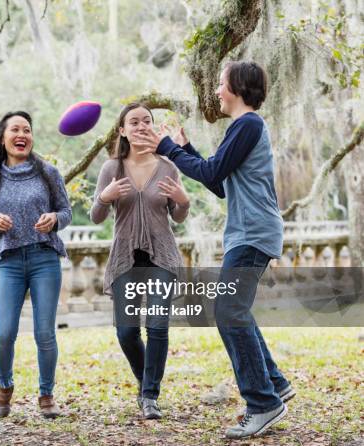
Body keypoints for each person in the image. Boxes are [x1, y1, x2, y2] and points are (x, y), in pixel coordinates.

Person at [138, 61, 295, 438]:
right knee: (233, 309)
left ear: (238, 87)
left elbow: (210, 173)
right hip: (248, 232)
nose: (217, 92)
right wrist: (184, 148)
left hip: (253, 232)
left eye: (221, 84)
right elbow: (219, 182)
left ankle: (263, 403)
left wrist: (167, 149)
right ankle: (274, 384)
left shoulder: (249, 124)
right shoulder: (242, 128)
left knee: (228, 310)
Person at [90, 103, 189, 419]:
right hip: (125, 258)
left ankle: (150, 396)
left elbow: (178, 216)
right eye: (134, 121)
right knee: (126, 333)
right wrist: (105, 197)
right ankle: (144, 377)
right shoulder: (111, 168)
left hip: (162, 256)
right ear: (122, 129)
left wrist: (183, 202)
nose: (141, 125)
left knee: (157, 326)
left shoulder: (167, 166)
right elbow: (96, 216)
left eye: (147, 120)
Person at [0, 111, 72, 419]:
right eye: (15, 129)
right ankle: (4, 388)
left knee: (45, 333)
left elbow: (66, 212)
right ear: (3, 137)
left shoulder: (48, 172)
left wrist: (54, 219)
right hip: (9, 262)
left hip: (44, 257)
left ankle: (46, 395)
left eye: (27, 130)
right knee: (4, 333)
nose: (22, 135)